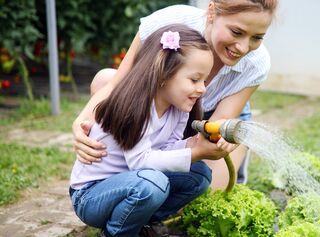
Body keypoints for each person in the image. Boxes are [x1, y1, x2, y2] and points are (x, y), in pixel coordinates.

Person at [72, 0, 278, 189]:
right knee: (105, 78)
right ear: (212, 12)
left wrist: (218, 142)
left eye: (257, 37)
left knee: (204, 192)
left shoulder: (256, 63)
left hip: (212, 114)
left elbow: (215, 127)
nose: (243, 47)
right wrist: (81, 122)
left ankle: (238, 168)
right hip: (166, 107)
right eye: (236, 32)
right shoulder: (170, 22)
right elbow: (116, 85)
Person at [69, 24, 236, 237]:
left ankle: (141, 225)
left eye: (204, 80)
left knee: (199, 175)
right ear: (164, 74)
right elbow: (140, 161)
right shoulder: (135, 105)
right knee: (153, 184)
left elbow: (165, 149)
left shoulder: (179, 108)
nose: (202, 88)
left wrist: (191, 144)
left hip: (134, 182)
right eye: (195, 79)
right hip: (91, 196)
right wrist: (195, 153)